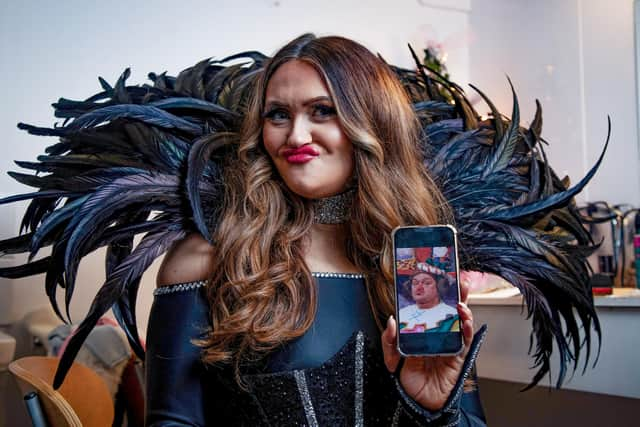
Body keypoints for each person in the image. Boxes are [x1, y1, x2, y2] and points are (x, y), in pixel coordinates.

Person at [146, 34, 487, 425]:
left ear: (371, 121)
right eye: (277, 114)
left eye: (322, 110)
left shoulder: (422, 271)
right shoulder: (205, 260)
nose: (295, 136)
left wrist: (435, 407)